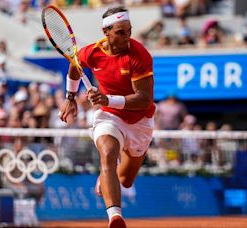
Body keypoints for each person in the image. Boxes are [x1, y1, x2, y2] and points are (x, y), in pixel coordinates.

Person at [58, 6, 155, 228]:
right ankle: (115, 217)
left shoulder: (139, 55)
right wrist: (70, 97)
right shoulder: (90, 52)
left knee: (126, 180)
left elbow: (144, 99)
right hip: (109, 116)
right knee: (108, 153)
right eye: (121, 32)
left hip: (139, 120)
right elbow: (75, 67)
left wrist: (108, 99)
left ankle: (107, 174)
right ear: (107, 32)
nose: (127, 37)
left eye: (129, 30)